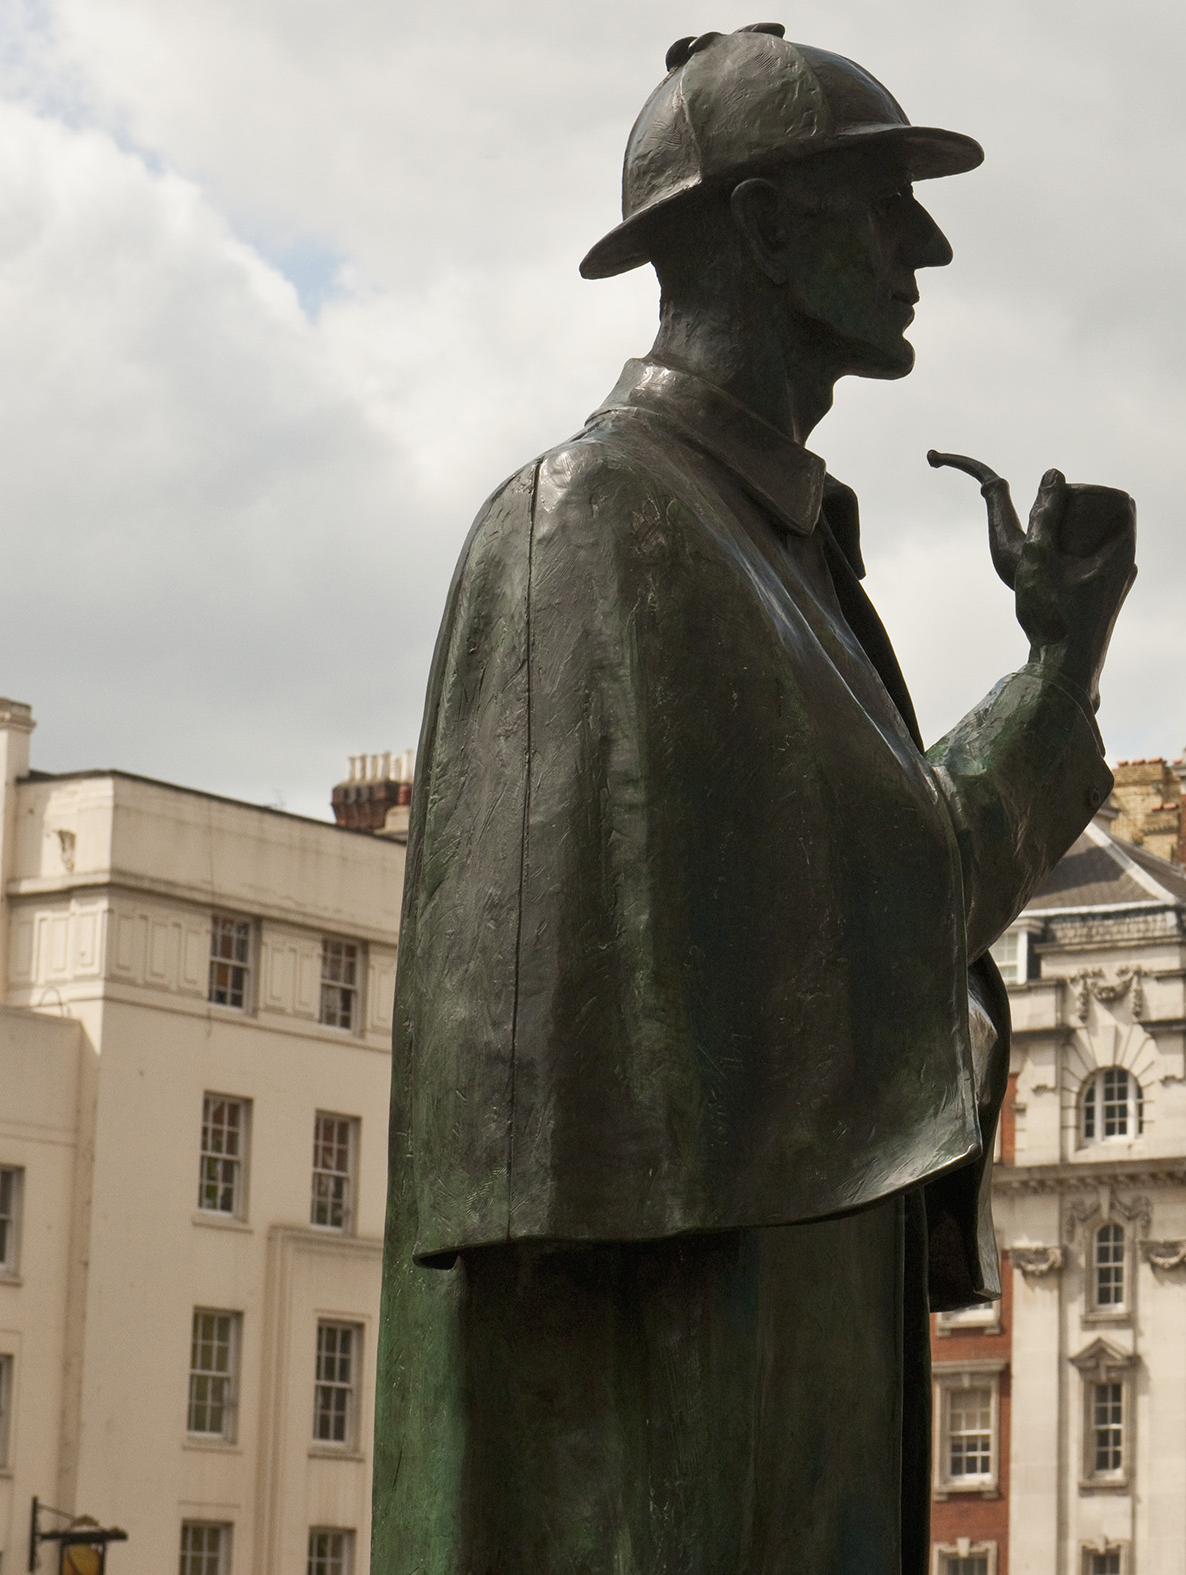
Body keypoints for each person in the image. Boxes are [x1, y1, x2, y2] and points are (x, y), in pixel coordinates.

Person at [371, 26, 1134, 1570]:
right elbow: (533, 1100)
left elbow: (881, 893)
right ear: (770, 233)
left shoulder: (774, 543)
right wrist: (1051, 691)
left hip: (793, 1297)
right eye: (880, 202)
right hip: (667, 1353)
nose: (925, 246)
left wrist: (1058, 671)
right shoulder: (593, 519)